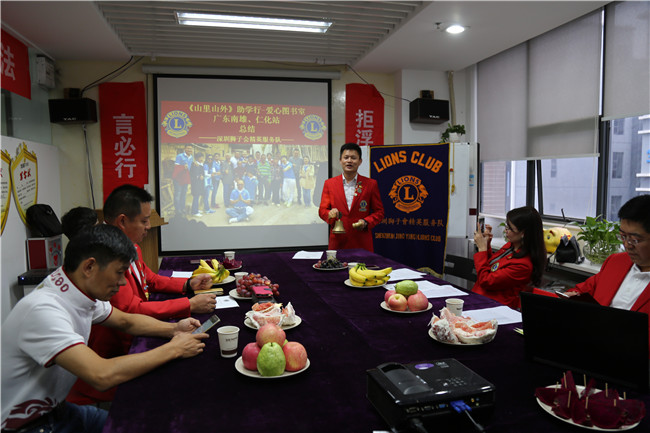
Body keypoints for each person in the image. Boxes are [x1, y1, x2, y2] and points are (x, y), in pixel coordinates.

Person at [1, 224, 208, 432]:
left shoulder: (76, 286)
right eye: (119, 273)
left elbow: (126, 321)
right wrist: (175, 349)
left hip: (58, 410)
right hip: (29, 426)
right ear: (89, 267)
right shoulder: (43, 310)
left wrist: (174, 330)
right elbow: (101, 375)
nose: (122, 283)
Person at [67, 184, 215, 405]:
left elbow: (130, 312)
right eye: (144, 221)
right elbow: (129, 310)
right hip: (110, 367)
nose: (120, 282)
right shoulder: (105, 256)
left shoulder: (128, 248)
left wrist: (185, 289)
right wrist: (183, 321)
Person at [566, 196, 650, 337]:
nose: (627, 245)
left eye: (635, 239)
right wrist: (571, 296)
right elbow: (581, 290)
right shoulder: (616, 262)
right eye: (623, 236)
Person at [472, 206, 546, 309]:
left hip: (493, 307)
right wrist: (486, 244)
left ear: (523, 233)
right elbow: (492, 267)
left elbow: (487, 281)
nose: (506, 231)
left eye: (510, 228)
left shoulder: (523, 265)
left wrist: (482, 249)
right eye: (507, 226)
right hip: (480, 298)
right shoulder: (511, 246)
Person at [318, 142, 385, 252]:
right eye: (346, 157)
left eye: (353, 158)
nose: (349, 161)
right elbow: (322, 210)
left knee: (363, 269)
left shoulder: (370, 184)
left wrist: (366, 222)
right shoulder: (329, 184)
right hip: (338, 242)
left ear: (360, 161)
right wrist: (329, 214)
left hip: (362, 243)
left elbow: (379, 212)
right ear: (340, 161)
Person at [172, 145, 192, 216]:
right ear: (185, 149)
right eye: (188, 148)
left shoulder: (191, 157)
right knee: (178, 194)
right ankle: (177, 210)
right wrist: (183, 167)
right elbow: (176, 166)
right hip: (178, 178)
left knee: (184, 194)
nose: (189, 150)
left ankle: (182, 208)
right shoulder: (179, 156)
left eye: (191, 149)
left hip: (185, 178)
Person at [190, 151, 205, 217]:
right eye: (200, 157)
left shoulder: (200, 164)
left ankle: (196, 209)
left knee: (197, 196)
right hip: (195, 184)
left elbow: (201, 173)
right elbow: (193, 174)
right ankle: (194, 212)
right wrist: (199, 176)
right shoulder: (194, 164)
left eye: (202, 157)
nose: (201, 159)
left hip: (199, 184)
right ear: (196, 158)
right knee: (196, 197)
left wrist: (201, 175)